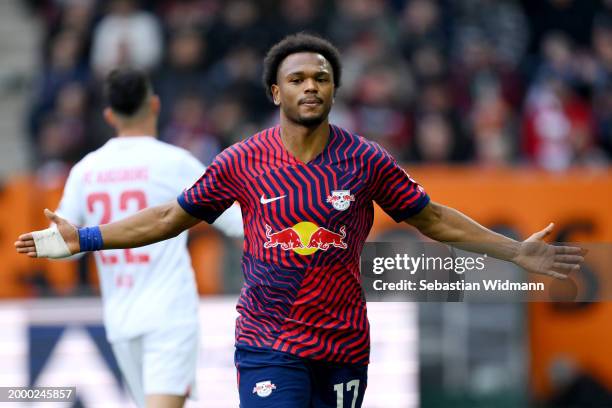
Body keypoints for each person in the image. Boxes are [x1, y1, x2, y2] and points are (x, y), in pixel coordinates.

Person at [16, 34, 584, 407]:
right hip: (269, 339)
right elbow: (171, 216)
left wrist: (515, 253)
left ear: (334, 88)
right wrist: (85, 237)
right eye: (297, 79)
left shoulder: (366, 159)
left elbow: (433, 219)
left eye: (320, 77)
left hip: (343, 342)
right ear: (275, 91)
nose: (310, 85)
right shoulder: (243, 160)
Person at [39, 68, 243, 408]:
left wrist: (43, 241)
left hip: (120, 318)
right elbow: (236, 222)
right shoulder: (173, 162)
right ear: (155, 105)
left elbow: (65, 246)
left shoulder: (86, 169)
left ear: (109, 114)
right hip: (169, 314)